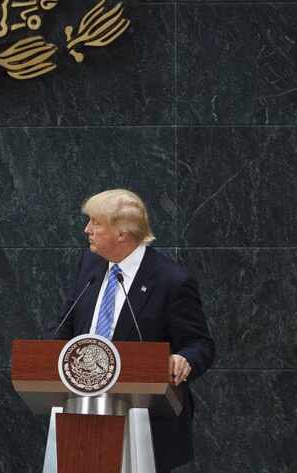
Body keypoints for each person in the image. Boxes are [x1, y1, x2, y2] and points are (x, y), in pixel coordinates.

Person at [51, 189, 215, 473]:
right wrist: (48, 352)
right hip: (82, 412)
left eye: (95, 223)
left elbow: (199, 344)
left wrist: (184, 359)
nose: (86, 229)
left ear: (122, 234)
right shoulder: (90, 264)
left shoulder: (171, 280)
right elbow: (66, 322)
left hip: (145, 420)